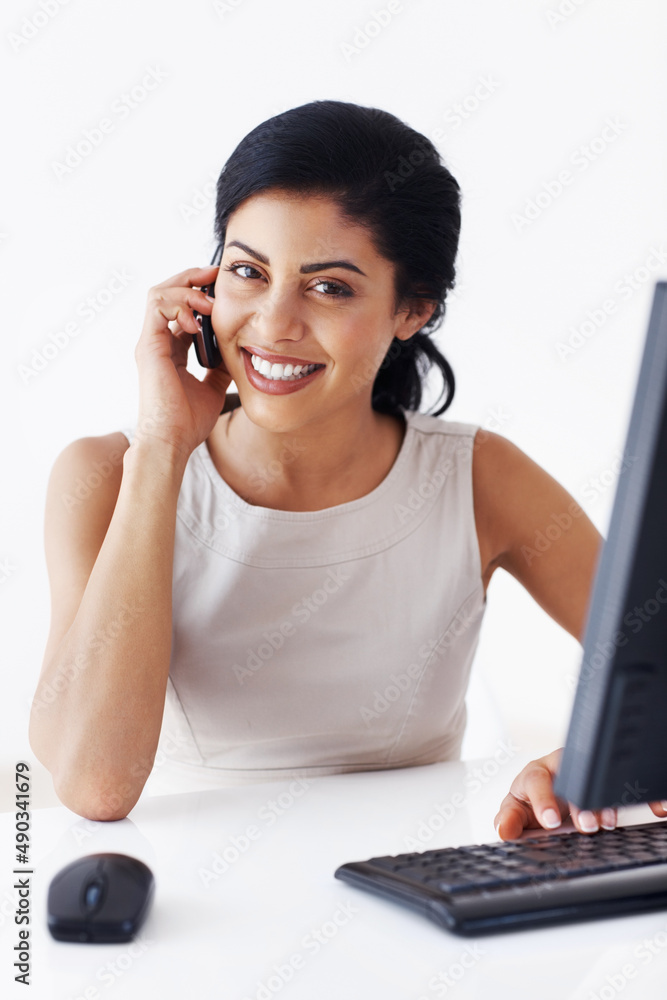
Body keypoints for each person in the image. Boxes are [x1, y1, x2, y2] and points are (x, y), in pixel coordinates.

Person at [28, 99, 666, 837]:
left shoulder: (476, 475)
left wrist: (582, 765)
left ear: (411, 310)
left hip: (418, 901)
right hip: (180, 915)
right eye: (246, 272)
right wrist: (162, 450)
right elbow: (93, 783)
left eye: (329, 287)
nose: (272, 323)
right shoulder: (105, 475)